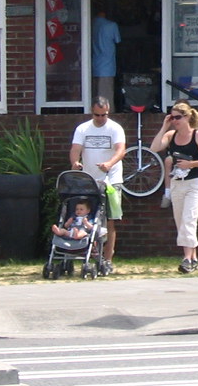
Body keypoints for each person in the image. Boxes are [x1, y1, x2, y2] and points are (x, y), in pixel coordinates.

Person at [150, 101, 198, 273]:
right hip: (177, 183)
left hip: (194, 182)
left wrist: (191, 164)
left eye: (177, 117)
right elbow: (154, 147)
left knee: (189, 219)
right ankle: (193, 258)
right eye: (172, 117)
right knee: (181, 221)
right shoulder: (171, 135)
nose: (174, 120)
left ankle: (186, 258)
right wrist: (164, 126)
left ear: (187, 117)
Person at [69, 97, 125, 274]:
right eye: (97, 115)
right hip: (89, 182)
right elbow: (75, 149)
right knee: (89, 220)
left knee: (109, 220)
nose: (101, 118)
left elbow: (120, 150)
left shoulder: (115, 128)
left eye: (104, 115)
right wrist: (75, 163)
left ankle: (107, 259)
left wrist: (109, 163)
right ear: (91, 112)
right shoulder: (83, 129)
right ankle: (93, 254)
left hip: (111, 181)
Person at [91, 6, 121, 107]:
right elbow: (118, 40)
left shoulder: (90, 24)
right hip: (107, 66)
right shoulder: (111, 25)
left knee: (94, 98)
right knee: (106, 101)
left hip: (93, 65)